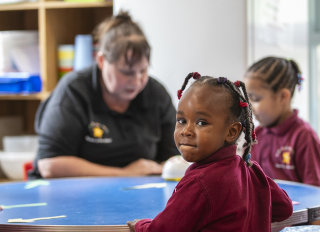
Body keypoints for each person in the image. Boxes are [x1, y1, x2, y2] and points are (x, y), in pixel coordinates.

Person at [127, 73, 293, 232]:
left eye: (201, 122)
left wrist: (140, 225)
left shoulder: (200, 183)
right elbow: (285, 208)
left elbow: (161, 230)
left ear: (231, 132)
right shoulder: (251, 171)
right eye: (181, 121)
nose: (186, 131)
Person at [29, 11, 178, 179]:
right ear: (101, 61)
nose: (136, 81)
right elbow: (49, 165)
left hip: (136, 193)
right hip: (71, 195)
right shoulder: (73, 91)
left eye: (143, 71)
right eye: (126, 72)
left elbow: (173, 159)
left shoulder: (156, 94)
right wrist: (124, 174)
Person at [244, 56, 320, 186]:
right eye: (247, 98)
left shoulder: (303, 136)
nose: (248, 106)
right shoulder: (257, 134)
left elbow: (314, 192)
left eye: (255, 99)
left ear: (283, 97)